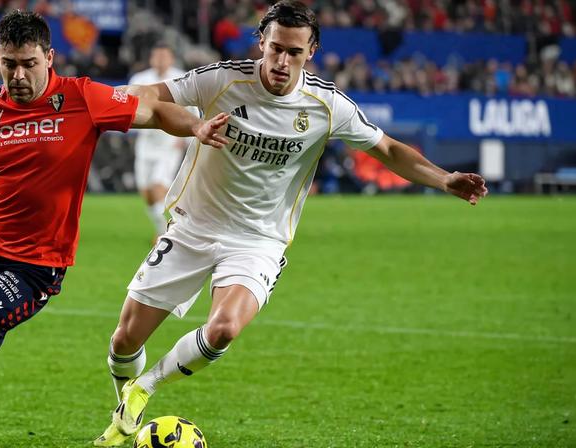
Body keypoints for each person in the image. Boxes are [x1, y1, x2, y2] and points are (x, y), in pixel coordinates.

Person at [93, 1, 488, 446]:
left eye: (294, 53)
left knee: (223, 328)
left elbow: (388, 149)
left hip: (258, 239)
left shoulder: (325, 104)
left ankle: (146, 387)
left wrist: (444, 178)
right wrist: (161, 115)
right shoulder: (223, 79)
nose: (281, 62)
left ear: (311, 51)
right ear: (261, 42)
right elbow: (151, 97)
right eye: (275, 49)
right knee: (125, 339)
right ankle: (122, 405)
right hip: (193, 227)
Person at [0, 10, 228, 448]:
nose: (19, 74)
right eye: (9, 64)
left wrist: (196, 126)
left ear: (50, 57)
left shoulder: (83, 98)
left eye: (29, 63)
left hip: (34, 266)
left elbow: (156, 110)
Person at [128, 43, 195, 241]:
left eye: (164, 56)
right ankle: (162, 229)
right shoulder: (140, 80)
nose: (160, 60)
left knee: (158, 189)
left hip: (169, 144)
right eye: (157, 56)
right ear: (151, 59)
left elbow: (192, 110)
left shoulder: (180, 78)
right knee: (147, 194)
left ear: (171, 59)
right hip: (146, 144)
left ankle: (168, 233)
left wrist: (187, 139)